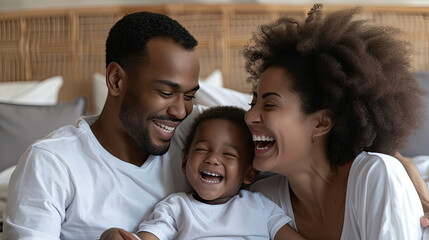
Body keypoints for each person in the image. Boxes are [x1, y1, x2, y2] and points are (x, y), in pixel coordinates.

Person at [3, 11, 203, 240]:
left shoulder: (201, 136)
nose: (180, 111)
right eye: (166, 93)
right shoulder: (51, 163)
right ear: (116, 80)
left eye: (189, 97)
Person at [244, 4, 426, 239]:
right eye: (252, 104)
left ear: (321, 123)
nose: (249, 116)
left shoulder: (375, 177)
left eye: (269, 105)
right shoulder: (261, 200)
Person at [100, 106, 305, 240]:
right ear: (184, 161)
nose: (213, 159)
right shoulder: (176, 208)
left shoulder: (262, 207)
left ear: (249, 174)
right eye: (202, 149)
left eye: (228, 154)